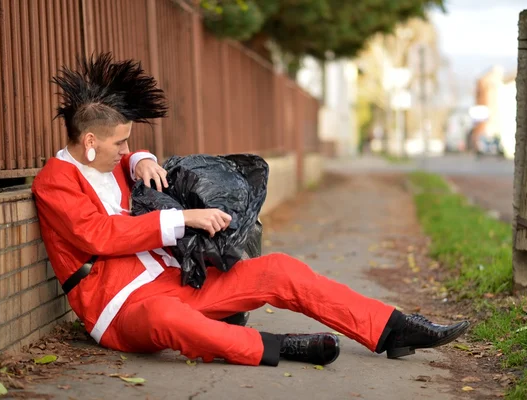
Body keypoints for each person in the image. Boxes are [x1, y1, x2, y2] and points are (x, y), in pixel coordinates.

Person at [31, 53, 469, 367]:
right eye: (119, 142)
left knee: (277, 270)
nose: (125, 149)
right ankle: (274, 346)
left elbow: (128, 167)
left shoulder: (114, 163)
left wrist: (141, 155)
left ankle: (391, 328)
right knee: (170, 319)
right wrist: (183, 218)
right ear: (89, 142)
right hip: (122, 310)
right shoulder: (55, 183)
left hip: (178, 281)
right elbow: (99, 236)